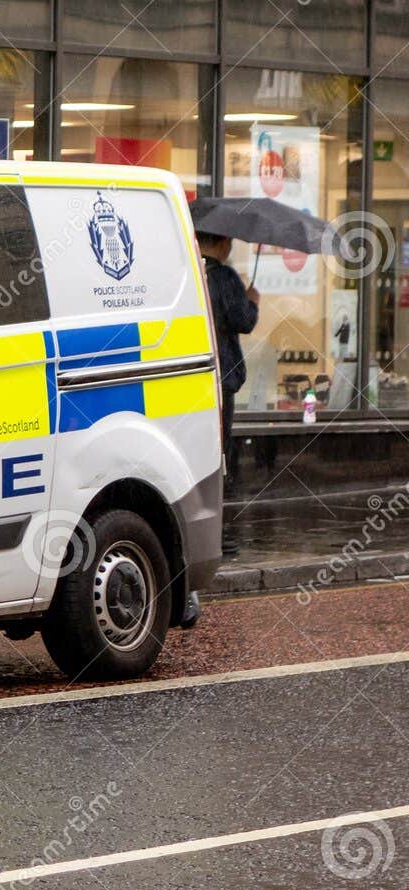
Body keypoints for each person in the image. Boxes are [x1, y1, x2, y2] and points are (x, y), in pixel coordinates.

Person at [193, 231, 260, 632]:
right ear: (220, 244)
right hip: (223, 379)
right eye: (230, 241)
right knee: (222, 455)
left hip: (192, 379)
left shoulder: (184, 269)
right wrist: (253, 301)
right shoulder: (225, 278)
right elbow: (244, 322)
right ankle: (219, 532)